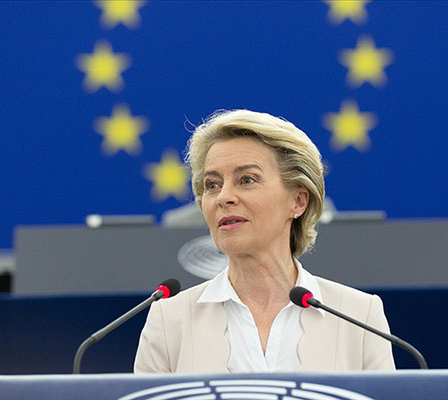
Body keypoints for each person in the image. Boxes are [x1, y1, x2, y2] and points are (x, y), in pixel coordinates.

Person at [134, 109, 395, 373]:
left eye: (247, 180)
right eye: (212, 185)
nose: (224, 197)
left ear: (298, 201)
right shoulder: (169, 320)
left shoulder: (359, 316)